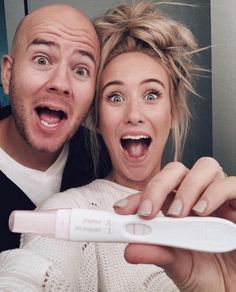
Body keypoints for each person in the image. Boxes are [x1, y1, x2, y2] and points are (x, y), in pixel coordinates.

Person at [0, 1, 235, 291]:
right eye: (115, 97)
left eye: (151, 95)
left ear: (173, 111)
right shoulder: (68, 208)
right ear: (96, 119)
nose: (134, 114)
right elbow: (31, 275)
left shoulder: (214, 213)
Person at [0, 3, 109, 251]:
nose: (61, 83)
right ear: (8, 74)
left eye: (80, 70)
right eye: (42, 59)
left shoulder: (104, 158)